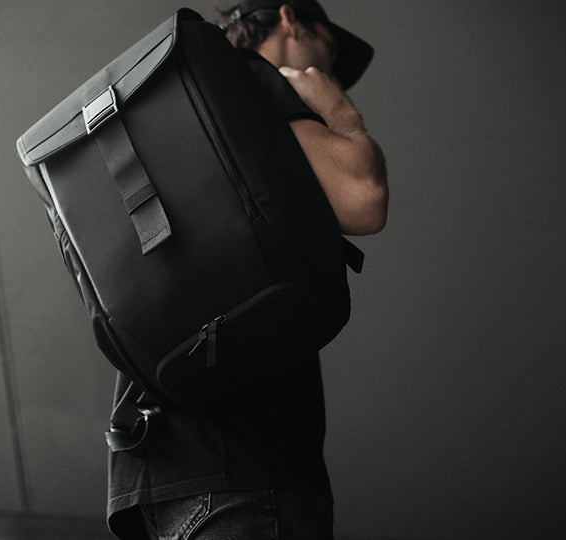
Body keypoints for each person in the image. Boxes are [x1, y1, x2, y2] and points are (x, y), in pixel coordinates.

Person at [107, 1, 388, 538]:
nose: (328, 66)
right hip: (248, 464)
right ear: (290, 19)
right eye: (327, 47)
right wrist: (340, 110)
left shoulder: (178, 107)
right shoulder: (251, 80)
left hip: (154, 463)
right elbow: (363, 199)